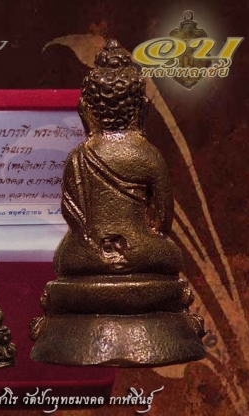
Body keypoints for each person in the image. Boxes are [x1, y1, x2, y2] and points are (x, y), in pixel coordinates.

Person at [53, 40, 183, 277]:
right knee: (169, 253)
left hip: (87, 255)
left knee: (65, 256)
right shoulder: (149, 155)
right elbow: (163, 220)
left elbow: (71, 215)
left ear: (85, 110)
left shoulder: (78, 157)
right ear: (142, 109)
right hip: (138, 251)